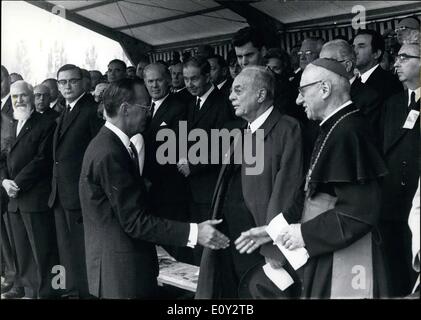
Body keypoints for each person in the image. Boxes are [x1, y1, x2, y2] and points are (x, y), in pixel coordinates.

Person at [237, 59, 389, 298]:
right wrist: (273, 230)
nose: (298, 100)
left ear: (325, 89)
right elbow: (310, 192)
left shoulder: (350, 131)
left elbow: (359, 212)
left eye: (303, 91)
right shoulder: (332, 127)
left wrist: (304, 234)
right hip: (328, 246)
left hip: (348, 255)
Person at [79, 78, 229, 298]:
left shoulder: (110, 145)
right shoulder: (109, 152)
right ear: (125, 109)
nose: (149, 114)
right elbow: (134, 221)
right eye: (145, 108)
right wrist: (195, 232)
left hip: (121, 267)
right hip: (122, 273)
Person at [196, 66, 304, 298]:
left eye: (238, 90)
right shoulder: (242, 131)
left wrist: (275, 247)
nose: (231, 96)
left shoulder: (287, 128)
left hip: (260, 241)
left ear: (261, 95)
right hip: (230, 239)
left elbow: (288, 190)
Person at [49, 64, 104, 298]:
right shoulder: (65, 110)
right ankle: (72, 291)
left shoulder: (91, 110)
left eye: (71, 81)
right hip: (60, 193)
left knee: (82, 251)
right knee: (67, 250)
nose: (66, 86)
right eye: (62, 82)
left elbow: (99, 151)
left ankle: (85, 294)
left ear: (83, 82)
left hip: (80, 193)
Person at [2, 81, 58, 298]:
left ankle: (48, 292)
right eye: (15, 97)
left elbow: (42, 159)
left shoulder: (46, 123)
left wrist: (18, 183)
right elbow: (2, 158)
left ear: (32, 97)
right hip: (13, 197)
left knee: (42, 250)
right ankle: (27, 290)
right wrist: (5, 181)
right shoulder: (9, 124)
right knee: (22, 249)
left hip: (34, 196)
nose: (19, 100)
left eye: (23, 96)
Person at [180, 56, 233, 265]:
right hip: (194, 188)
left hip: (211, 186)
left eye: (194, 79)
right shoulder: (193, 102)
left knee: (211, 248)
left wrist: (193, 165)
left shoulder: (223, 103)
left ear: (208, 76)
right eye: (186, 79)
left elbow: (229, 146)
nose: (189, 84)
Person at [380, 43, 420, 297]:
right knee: (395, 268)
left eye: (404, 57)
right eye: (396, 57)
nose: (396, 63)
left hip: (418, 200)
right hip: (393, 200)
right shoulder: (392, 103)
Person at [319, 39, 383, 142]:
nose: (321, 69)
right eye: (320, 64)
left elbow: (365, 138)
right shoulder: (321, 95)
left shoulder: (370, 98)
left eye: (328, 63)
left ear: (347, 65)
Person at [353, 29, 403, 100]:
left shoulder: (390, 83)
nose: (354, 51)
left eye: (361, 46)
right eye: (353, 47)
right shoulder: (352, 83)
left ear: (376, 54)